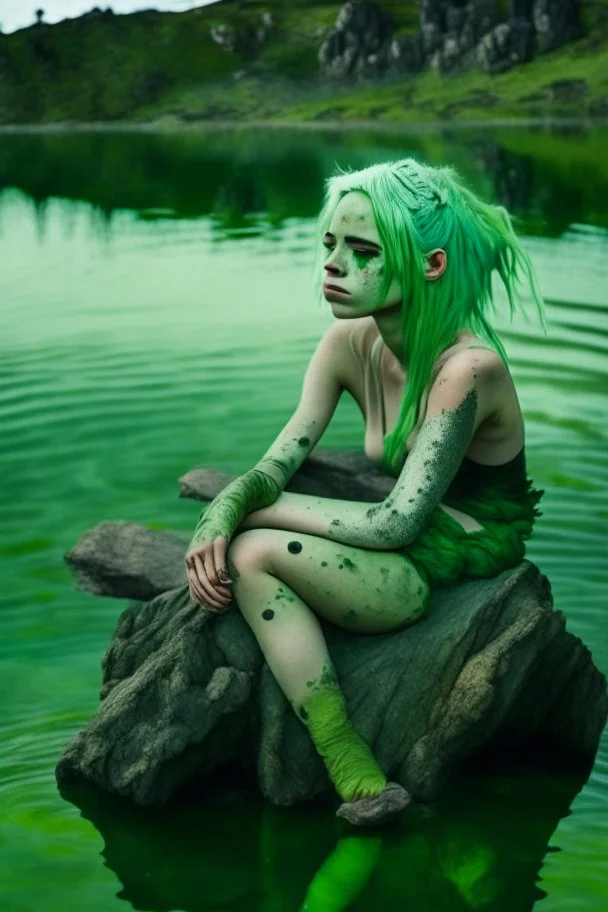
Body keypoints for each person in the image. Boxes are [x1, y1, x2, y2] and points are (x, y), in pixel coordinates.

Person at [184, 157, 546, 826]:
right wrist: (232, 503)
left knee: (252, 552)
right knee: (248, 545)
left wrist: (235, 510)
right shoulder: (348, 342)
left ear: (431, 266)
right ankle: (345, 753)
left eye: (362, 250)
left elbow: (396, 523)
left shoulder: (468, 370)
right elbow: (283, 456)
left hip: (460, 542)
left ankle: (348, 762)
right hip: (404, 518)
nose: (333, 265)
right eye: (329, 245)